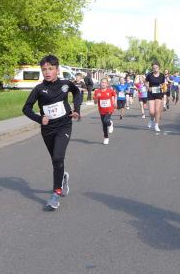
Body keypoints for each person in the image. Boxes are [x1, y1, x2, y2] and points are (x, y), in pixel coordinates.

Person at [22, 54, 82, 211]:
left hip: (64, 125)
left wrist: (77, 109)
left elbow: (77, 93)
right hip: (48, 129)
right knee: (56, 161)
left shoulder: (66, 84)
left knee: (57, 157)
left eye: (50, 69)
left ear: (57, 70)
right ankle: (62, 176)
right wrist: (39, 118)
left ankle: (56, 194)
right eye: (44, 69)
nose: (47, 72)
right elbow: (26, 108)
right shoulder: (39, 89)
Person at [145, 62, 166, 133]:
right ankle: (151, 119)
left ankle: (156, 125)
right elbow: (145, 82)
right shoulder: (149, 75)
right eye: (153, 68)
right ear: (152, 68)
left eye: (156, 68)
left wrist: (162, 87)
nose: (155, 69)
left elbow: (163, 84)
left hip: (159, 93)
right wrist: (148, 87)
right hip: (151, 93)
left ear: (159, 68)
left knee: (157, 110)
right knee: (151, 112)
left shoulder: (162, 75)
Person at [94, 77, 115, 145]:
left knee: (106, 120)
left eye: (105, 82)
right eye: (102, 82)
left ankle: (110, 124)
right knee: (104, 124)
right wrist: (96, 97)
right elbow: (95, 102)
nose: (103, 84)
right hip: (102, 110)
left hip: (109, 109)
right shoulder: (97, 91)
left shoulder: (110, 90)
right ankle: (106, 137)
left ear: (107, 84)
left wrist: (115, 102)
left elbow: (114, 95)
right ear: (100, 83)